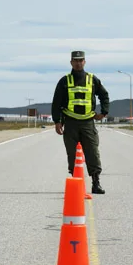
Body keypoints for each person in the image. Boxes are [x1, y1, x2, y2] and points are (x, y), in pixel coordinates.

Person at [51, 50, 110, 194]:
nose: (78, 63)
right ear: (71, 62)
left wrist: (103, 112)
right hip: (70, 123)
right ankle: (76, 184)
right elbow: (56, 102)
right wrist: (57, 121)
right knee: (72, 154)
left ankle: (96, 183)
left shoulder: (92, 79)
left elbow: (104, 95)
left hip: (88, 123)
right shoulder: (64, 81)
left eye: (81, 60)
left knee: (93, 153)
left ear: (84, 62)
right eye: (75, 61)